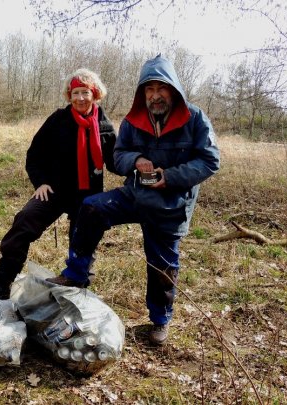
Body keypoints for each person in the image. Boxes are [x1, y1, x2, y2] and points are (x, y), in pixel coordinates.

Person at [46, 55, 221, 345]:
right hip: (135, 193)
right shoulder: (133, 120)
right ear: (142, 93)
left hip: (171, 203)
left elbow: (210, 160)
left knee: (162, 265)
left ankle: (159, 321)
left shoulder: (195, 118)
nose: (155, 95)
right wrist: (136, 160)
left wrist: (171, 176)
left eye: (160, 89)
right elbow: (118, 154)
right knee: (91, 208)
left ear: (173, 89)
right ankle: (76, 273)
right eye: (149, 90)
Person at [0, 68, 117, 302]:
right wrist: (40, 182)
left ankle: (76, 292)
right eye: (75, 93)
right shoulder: (58, 120)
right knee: (23, 222)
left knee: (83, 241)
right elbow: (35, 154)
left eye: (86, 92)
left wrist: (138, 162)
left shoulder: (104, 126)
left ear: (95, 94)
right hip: (54, 190)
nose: (80, 98)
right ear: (69, 95)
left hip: (87, 197)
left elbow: (115, 163)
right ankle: (2, 283)